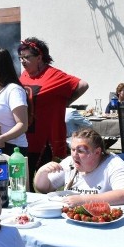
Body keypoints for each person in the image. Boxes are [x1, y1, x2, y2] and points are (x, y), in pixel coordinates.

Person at [18, 38, 88, 183]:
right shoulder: (24, 75)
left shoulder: (54, 75)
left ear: (39, 57)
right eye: (21, 57)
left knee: (47, 183)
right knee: (25, 182)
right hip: (26, 137)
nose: (23, 61)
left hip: (46, 141)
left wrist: (65, 102)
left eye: (26, 57)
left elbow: (83, 85)